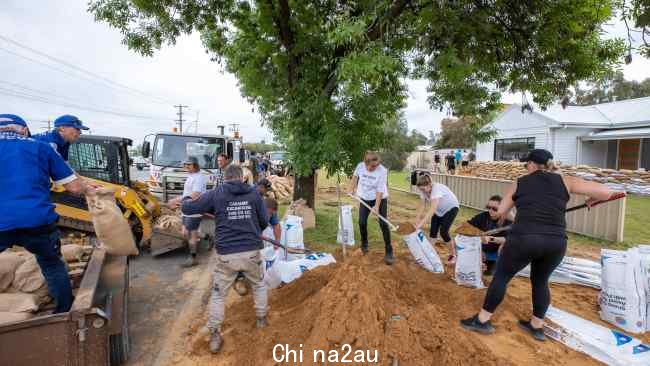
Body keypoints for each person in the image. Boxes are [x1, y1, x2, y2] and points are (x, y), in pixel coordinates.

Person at [460, 149, 615, 341]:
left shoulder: (520, 182)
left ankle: (482, 321)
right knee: (540, 281)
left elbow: (500, 211)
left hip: (524, 237)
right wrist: (592, 200)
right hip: (555, 242)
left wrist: (518, 207)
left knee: (502, 275)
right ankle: (536, 326)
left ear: (532, 165)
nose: (526, 168)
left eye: (526, 165)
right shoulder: (567, 181)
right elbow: (607, 192)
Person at [0, 114, 94, 313]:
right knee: (52, 265)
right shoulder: (40, 147)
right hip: (37, 219)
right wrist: (91, 189)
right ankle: (64, 311)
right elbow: (74, 187)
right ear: (24, 130)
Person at [181, 164, 269, 353]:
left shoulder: (217, 193)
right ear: (241, 177)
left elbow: (189, 208)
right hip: (251, 251)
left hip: (226, 255)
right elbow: (263, 221)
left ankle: (214, 335)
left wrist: (186, 198)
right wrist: (252, 231)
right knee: (259, 285)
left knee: (219, 295)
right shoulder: (254, 194)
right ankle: (261, 319)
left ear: (225, 178)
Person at [348, 151, 394, 265]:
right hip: (364, 197)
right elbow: (354, 178)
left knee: (383, 223)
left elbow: (380, 189)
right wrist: (351, 188)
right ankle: (364, 245)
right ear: (365, 163)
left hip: (380, 198)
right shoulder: (360, 166)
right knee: (362, 222)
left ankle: (389, 251)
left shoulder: (382, 171)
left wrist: (377, 206)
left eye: (375, 167)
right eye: (371, 166)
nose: (372, 168)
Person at [167, 156, 208, 267]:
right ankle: (208, 238)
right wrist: (177, 200)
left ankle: (193, 258)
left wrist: (177, 200)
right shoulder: (191, 176)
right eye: (185, 164)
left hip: (194, 209)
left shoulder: (198, 178)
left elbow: (196, 194)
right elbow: (187, 194)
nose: (186, 167)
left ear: (195, 165)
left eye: (188, 165)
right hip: (187, 208)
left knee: (191, 234)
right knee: (186, 232)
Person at [413, 175, 460, 264]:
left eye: (423, 189)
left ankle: (453, 255)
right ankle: (429, 254)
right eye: (420, 189)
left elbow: (432, 209)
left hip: (451, 208)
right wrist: (417, 220)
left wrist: (421, 224)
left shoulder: (436, 189)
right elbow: (422, 205)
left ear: (430, 184)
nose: (421, 191)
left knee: (443, 231)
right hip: (439, 210)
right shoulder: (423, 191)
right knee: (433, 231)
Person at [467, 195, 513, 275]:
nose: (490, 211)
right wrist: (479, 250)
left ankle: (499, 267)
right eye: (488, 207)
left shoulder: (508, 221)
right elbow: (466, 228)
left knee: (488, 273)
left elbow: (509, 240)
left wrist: (490, 239)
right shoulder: (483, 216)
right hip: (481, 251)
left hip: (496, 254)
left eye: (495, 209)